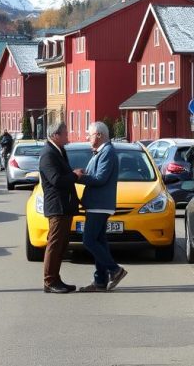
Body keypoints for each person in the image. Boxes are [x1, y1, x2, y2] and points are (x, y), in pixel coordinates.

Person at [74, 122, 126, 292]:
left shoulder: (108, 152)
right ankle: (100, 281)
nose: (87, 137)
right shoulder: (101, 152)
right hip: (97, 204)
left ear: (99, 135)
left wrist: (80, 177)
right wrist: (84, 173)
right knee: (100, 242)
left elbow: (101, 178)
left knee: (88, 240)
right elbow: (95, 175)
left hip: (99, 204)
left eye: (89, 134)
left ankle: (115, 270)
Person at [37, 122, 78, 294]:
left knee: (62, 244)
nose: (68, 136)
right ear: (55, 135)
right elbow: (56, 180)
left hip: (65, 205)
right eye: (65, 133)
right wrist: (75, 175)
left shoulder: (59, 150)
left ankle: (56, 277)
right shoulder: (48, 154)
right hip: (57, 206)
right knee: (54, 243)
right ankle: (49, 281)